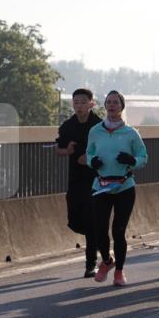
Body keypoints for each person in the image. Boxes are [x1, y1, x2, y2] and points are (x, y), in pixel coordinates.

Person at [86, 90, 149, 286]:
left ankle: (119, 271)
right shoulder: (95, 131)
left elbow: (143, 158)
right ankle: (107, 261)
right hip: (101, 185)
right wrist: (92, 162)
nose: (112, 105)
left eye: (116, 102)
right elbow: (89, 153)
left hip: (124, 186)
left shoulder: (131, 133)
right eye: (109, 102)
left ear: (122, 106)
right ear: (105, 106)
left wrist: (132, 160)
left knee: (118, 230)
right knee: (99, 230)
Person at [55, 88, 101, 277]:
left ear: (91, 103)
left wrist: (89, 157)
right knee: (75, 221)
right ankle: (97, 237)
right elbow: (58, 148)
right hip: (75, 180)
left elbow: (107, 149)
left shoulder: (99, 126)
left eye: (83, 102)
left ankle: (91, 263)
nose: (79, 106)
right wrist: (67, 151)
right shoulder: (68, 126)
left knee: (91, 223)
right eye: (76, 103)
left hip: (96, 179)